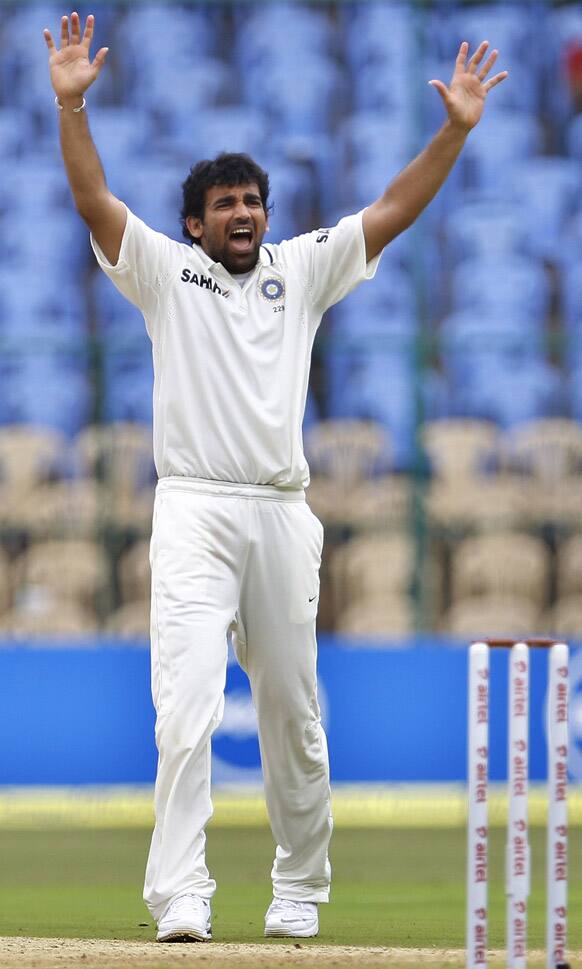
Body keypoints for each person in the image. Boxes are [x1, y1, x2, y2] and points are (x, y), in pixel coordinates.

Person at [44, 11, 507, 944]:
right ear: (194, 222)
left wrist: (453, 130)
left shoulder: (299, 270)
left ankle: (301, 884)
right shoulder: (166, 274)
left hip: (281, 512)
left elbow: (392, 209)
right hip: (194, 508)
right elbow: (95, 201)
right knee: (186, 706)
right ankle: (182, 894)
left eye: (252, 199)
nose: (243, 212)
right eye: (224, 203)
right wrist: (75, 104)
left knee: (294, 714)